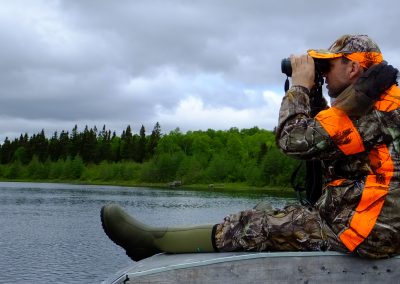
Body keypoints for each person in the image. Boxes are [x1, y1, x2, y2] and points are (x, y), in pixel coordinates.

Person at [101, 34, 400, 261]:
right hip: (360, 219)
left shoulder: (376, 110)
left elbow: (293, 141)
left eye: (329, 65)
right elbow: (325, 141)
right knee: (267, 211)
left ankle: (151, 242)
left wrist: (298, 87)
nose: (322, 73)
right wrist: (314, 93)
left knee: (256, 225)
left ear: (353, 69)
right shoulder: (375, 103)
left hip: (368, 232)